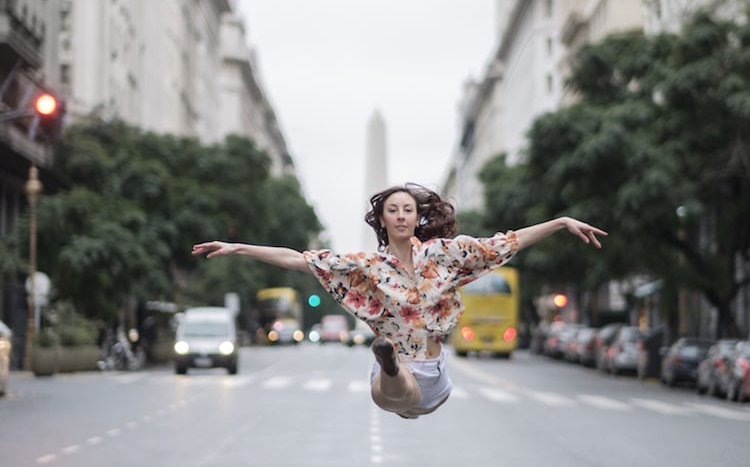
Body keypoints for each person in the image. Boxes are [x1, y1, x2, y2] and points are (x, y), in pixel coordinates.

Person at [192, 183, 606, 420]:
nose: (403, 216)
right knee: (391, 391)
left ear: (418, 217)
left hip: (433, 374)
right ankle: (388, 362)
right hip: (396, 374)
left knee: (410, 395)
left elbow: (506, 242)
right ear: (384, 219)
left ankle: (392, 367)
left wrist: (560, 222)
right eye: (394, 210)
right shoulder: (368, 266)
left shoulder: (447, 253)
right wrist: (239, 247)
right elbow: (301, 260)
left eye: (409, 209)